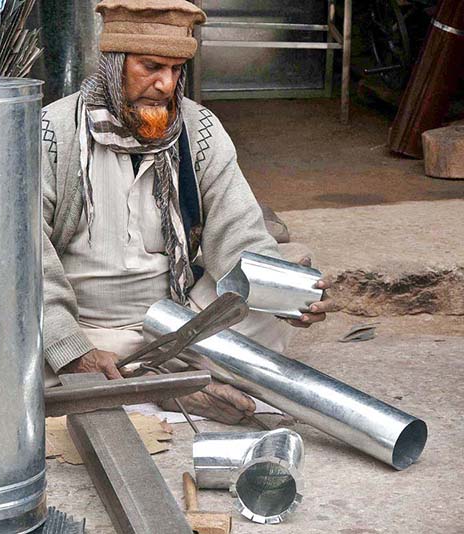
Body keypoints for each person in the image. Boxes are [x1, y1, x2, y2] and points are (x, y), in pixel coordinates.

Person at [40, 0, 335, 424]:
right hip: (84, 328)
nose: (165, 84)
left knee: (278, 282)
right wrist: (69, 349)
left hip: (178, 320)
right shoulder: (53, 134)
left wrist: (290, 297)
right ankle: (176, 386)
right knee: (6, 341)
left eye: (176, 70)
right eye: (151, 67)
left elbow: (240, 236)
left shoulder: (199, 130)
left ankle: (146, 382)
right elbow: (27, 260)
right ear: (113, 64)